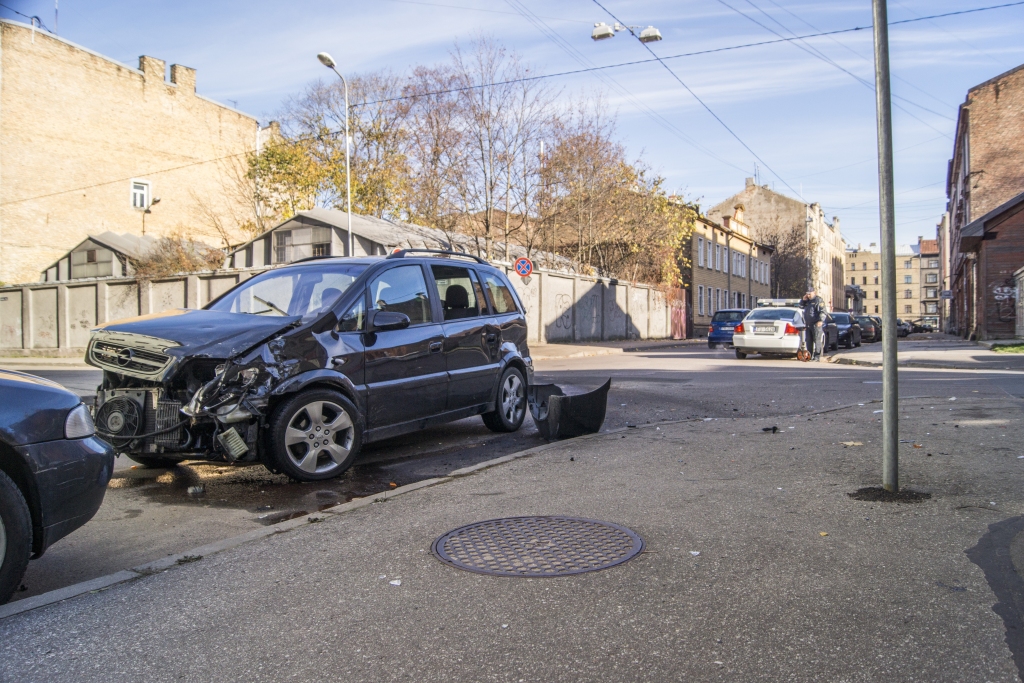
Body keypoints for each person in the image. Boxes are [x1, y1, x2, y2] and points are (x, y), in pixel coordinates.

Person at [800, 288, 827, 361]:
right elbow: (801, 306)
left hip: (816, 324)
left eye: (810, 294)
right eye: (807, 294)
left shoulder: (818, 300)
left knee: (817, 340)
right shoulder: (807, 301)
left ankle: (817, 356)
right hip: (808, 324)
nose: (808, 295)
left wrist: (821, 320)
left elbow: (823, 311)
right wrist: (803, 300)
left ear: (814, 293)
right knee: (809, 340)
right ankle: (810, 355)